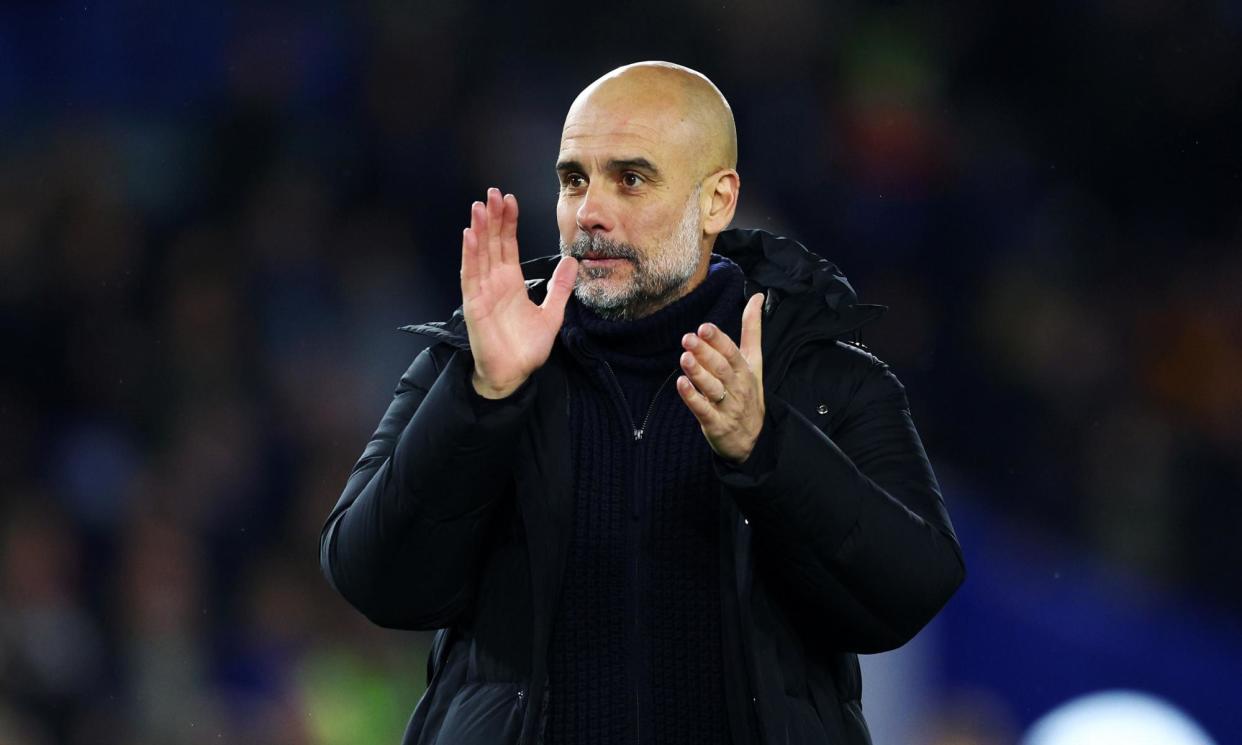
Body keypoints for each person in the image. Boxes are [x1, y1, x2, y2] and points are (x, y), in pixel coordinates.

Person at [319, 61, 965, 745]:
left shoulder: (825, 380)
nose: (589, 212)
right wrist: (483, 400)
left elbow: (911, 590)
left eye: (630, 178)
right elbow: (373, 579)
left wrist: (767, 449)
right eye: (574, 179)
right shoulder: (475, 365)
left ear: (716, 201)